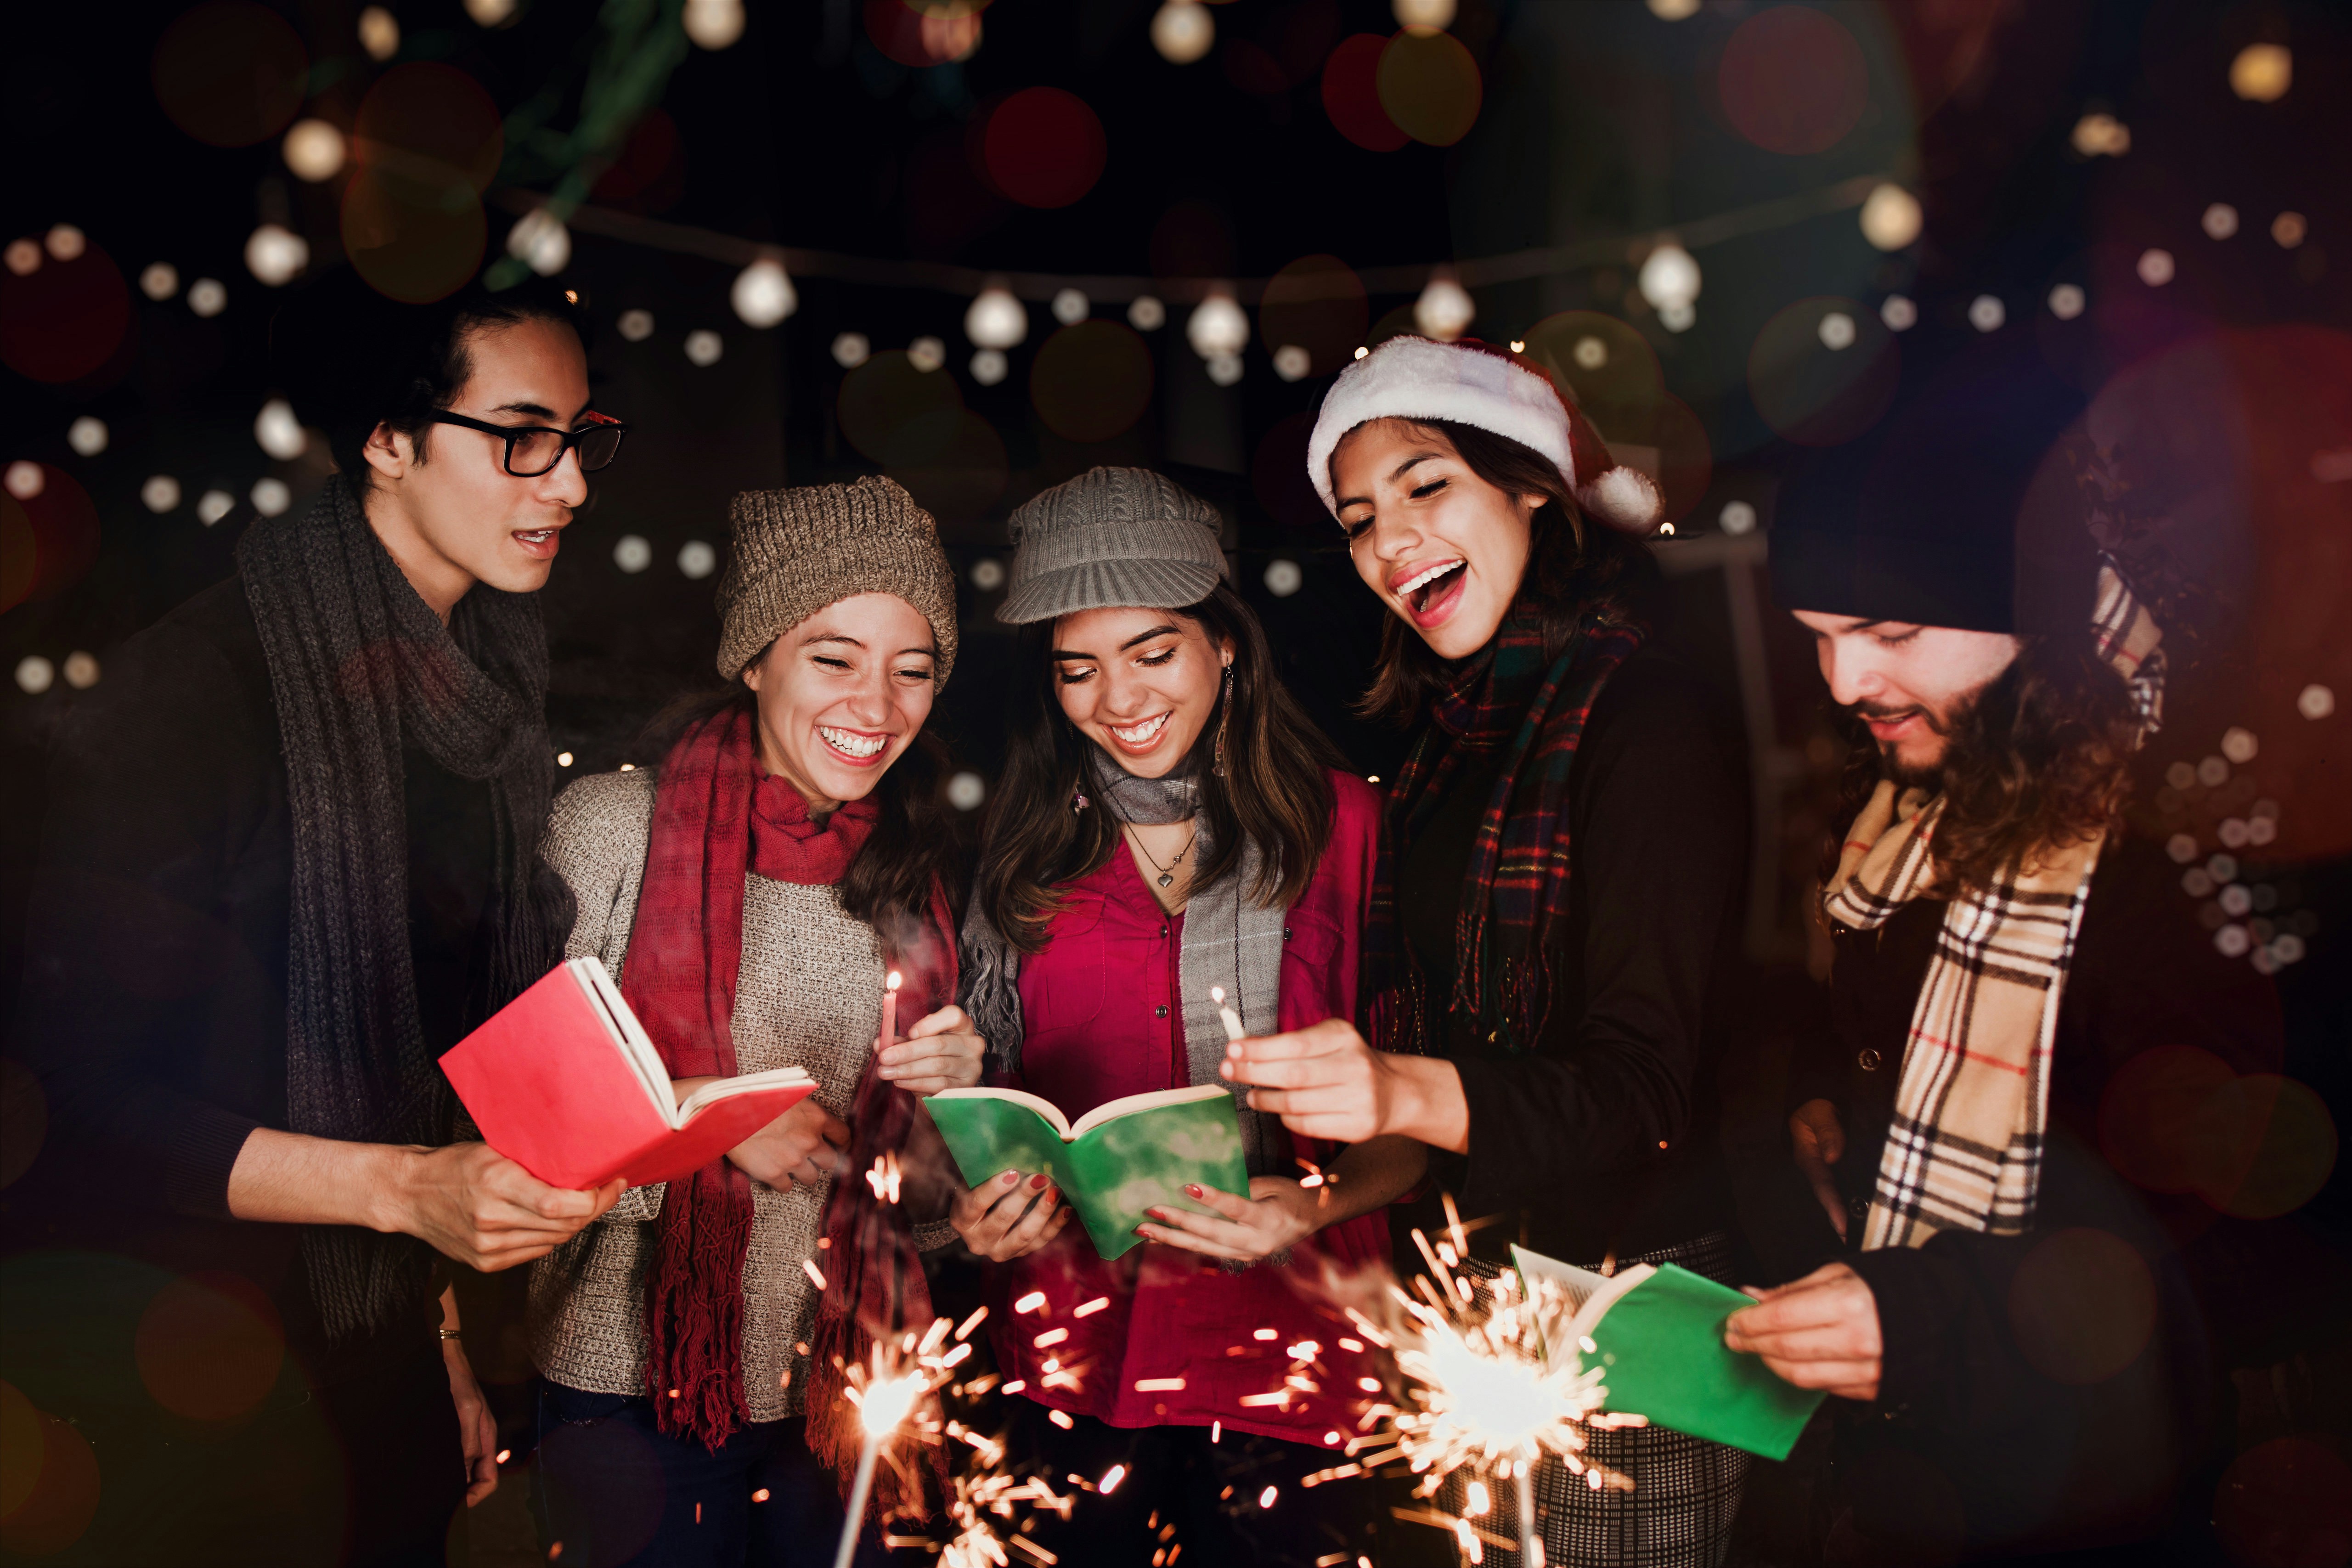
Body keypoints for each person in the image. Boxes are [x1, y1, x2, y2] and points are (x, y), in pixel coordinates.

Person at [4, 271, 626, 1563]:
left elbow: (415, 1071)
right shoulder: (188, 694)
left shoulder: (493, 701)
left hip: (372, 1352)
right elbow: (63, 1103)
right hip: (164, 1373)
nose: (566, 485)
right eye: (522, 437)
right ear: (387, 443)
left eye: (581, 442)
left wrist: (438, 1343)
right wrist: (407, 1193)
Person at [1723, 348, 2286, 1562]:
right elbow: (1903, 1033)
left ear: (2044, 602)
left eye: (1889, 629)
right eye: (1817, 635)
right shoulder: (1932, 781)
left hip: (2118, 1492)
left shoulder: (2192, 842)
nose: (1846, 681)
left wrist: (1937, 1317)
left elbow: (2260, 1251)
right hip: (1925, 1467)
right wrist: (1834, 1109)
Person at [1223, 337, 1754, 1567]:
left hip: (1645, 1308)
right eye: (1358, 518)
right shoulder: (1438, 744)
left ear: (1530, 485)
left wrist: (1396, 1084)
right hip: (1473, 1294)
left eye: (1425, 483)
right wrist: (1326, 1193)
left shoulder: (1647, 718)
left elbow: (1645, 1090)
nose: (1389, 540)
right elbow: (1464, 1070)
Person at [952, 466, 1426, 1568]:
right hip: (1071, 1356)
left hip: (1298, 1357)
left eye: (1152, 653)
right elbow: (972, 1115)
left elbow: (1425, 1111)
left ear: (1224, 645)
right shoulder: (1017, 861)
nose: (1116, 701)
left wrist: (1309, 1206)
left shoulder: (1350, 828)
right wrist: (969, 1207)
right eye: (1078, 669)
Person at [526, 476, 986, 1568]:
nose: (876, 707)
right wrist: (708, 1124)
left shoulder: (916, 871)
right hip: (627, 1386)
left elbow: (912, 1210)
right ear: (753, 656)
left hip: (844, 1387)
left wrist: (953, 1107)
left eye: (911, 671)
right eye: (834, 658)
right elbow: (515, 1126)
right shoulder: (611, 827)